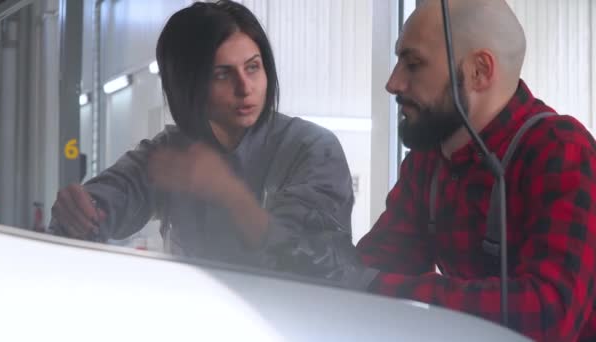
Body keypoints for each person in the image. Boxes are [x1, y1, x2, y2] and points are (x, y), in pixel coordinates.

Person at [50, 0, 371, 285]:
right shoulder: (173, 152)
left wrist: (229, 194)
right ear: (189, 85)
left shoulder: (312, 148)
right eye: (222, 74)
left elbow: (318, 266)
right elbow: (118, 192)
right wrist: (81, 211)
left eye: (253, 67)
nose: (245, 87)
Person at [356, 0, 596, 340]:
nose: (393, 83)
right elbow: (378, 262)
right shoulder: (430, 158)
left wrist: (377, 286)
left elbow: (549, 314)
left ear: (480, 71)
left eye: (413, 64)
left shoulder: (563, 151)